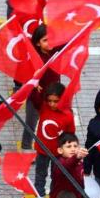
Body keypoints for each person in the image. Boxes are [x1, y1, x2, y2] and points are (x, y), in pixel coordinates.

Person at [21, 25, 60, 154]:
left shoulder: (56, 51)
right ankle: (26, 147)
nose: (50, 42)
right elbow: (26, 74)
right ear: (38, 43)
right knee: (31, 123)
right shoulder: (35, 59)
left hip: (53, 95)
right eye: (45, 40)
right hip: (37, 96)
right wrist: (33, 77)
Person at [33, 82, 76, 196]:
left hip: (58, 153)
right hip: (42, 150)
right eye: (49, 101)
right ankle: (39, 195)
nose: (52, 104)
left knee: (56, 176)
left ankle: (54, 196)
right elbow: (35, 101)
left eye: (56, 101)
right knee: (40, 174)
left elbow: (70, 135)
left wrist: (69, 151)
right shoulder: (44, 107)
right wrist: (35, 90)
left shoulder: (68, 115)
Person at [49, 133, 88, 198]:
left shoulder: (79, 164)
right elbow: (67, 166)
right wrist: (76, 157)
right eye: (69, 146)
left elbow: (81, 185)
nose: (73, 149)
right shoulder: (59, 163)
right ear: (60, 150)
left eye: (75, 146)